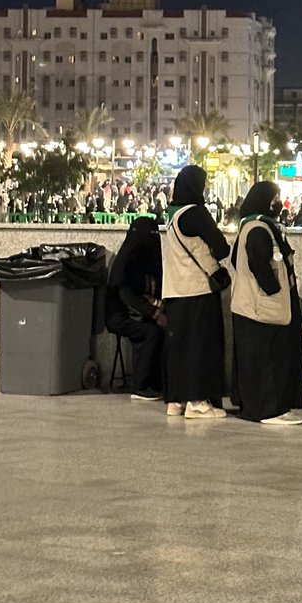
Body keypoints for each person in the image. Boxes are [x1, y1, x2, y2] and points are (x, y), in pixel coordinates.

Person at [230, 181, 302, 426]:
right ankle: (268, 410)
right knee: (266, 359)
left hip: (255, 306)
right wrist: (274, 289)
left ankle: (263, 407)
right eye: (275, 198)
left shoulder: (255, 226)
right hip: (260, 307)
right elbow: (259, 264)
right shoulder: (258, 228)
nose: (278, 203)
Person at [161, 165, 231, 420]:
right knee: (200, 346)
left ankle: (176, 400)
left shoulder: (174, 216)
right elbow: (221, 248)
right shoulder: (197, 214)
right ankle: (198, 401)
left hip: (175, 290)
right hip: (198, 290)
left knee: (179, 346)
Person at [105, 216, 166, 401]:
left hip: (139, 313)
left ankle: (158, 382)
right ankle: (140, 386)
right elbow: (126, 296)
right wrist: (154, 312)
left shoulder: (148, 259)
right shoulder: (126, 261)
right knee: (151, 332)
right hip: (119, 316)